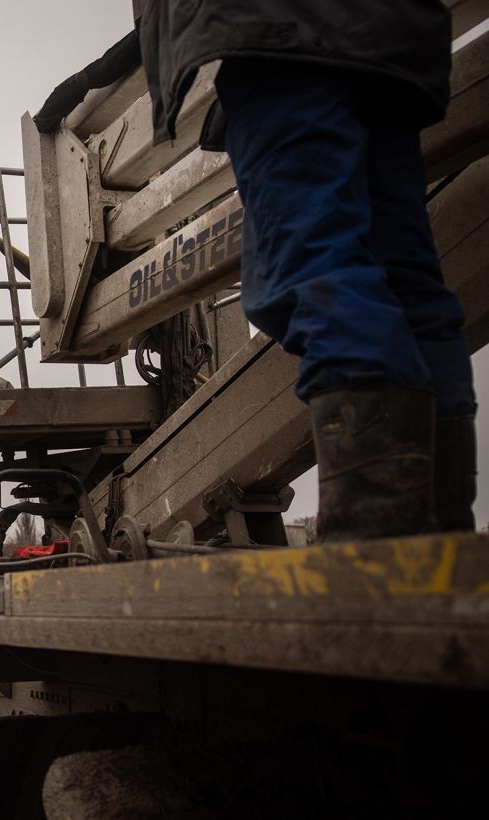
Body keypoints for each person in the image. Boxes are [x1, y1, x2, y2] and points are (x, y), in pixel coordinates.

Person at [37, 2, 476, 541]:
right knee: (404, 279)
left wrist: (92, 79)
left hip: (279, 39)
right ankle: (436, 526)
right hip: (388, 43)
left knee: (316, 270)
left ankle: (375, 536)